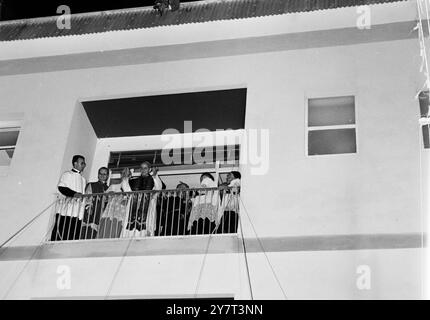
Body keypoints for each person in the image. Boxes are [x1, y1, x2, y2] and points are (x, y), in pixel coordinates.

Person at [50, 155, 87, 241]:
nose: (84, 165)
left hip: (77, 211)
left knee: (73, 234)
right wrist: (74, 194)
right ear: (75, 163)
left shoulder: (83, 179)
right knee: (62, 231)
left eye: (84, 163)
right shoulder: (67, 174)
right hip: (66, 210)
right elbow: (61, 187)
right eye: (82, 163)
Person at [125, 162, 164, 237]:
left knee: (145, 229)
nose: (143, 170)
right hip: (133, 206)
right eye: (141, 168)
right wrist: (126, 178)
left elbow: (159, 188)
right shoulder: (134, 181)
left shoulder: (154, 179)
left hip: (148, 206)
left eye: (145, 168)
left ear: (149, 169)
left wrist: (155, 176)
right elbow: (127, 190)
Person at [98, 168, 132, 239]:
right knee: (105, 233)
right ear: (121, 175)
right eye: (123, 173)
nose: (125, 175)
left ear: (130, 175)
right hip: (110, 213)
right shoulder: (113, 186)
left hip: (122, 215)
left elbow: (131, 198)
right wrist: (109, 195)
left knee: (117, 234)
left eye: (127, 173)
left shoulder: (131, 188)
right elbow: (104, 198)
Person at [80, 167, 110, 239]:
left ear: (108, 176)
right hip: (91, 212)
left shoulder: (109, 188)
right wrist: (88, 207)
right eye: (100, 173)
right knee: (87, 232)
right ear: (98, 175)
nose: (102, 175)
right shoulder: (92, 185)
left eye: (104, 174)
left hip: (102, 214)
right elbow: (87, 197)